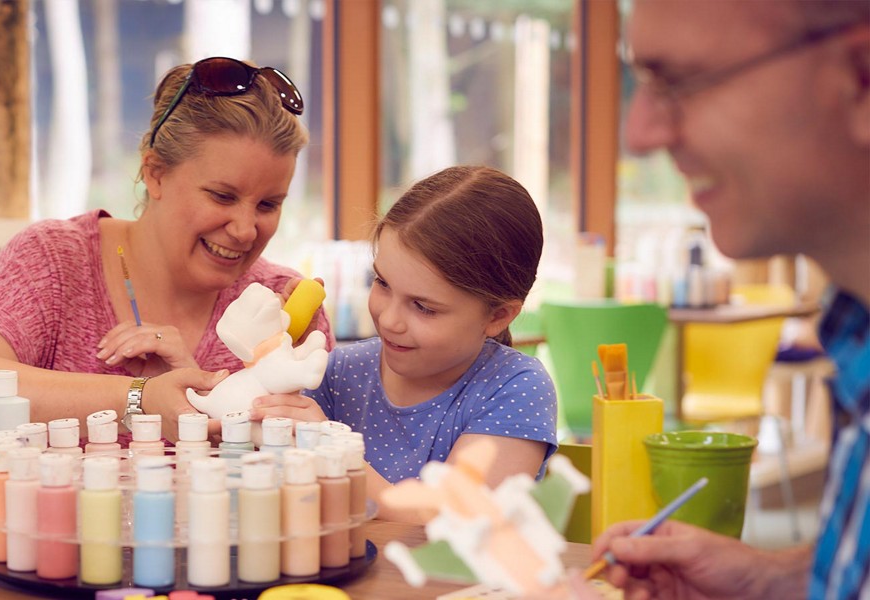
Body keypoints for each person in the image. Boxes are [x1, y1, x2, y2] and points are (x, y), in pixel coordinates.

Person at [586, 1, 870, 598]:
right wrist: (768, 577)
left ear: (862, 74)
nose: (639, 134)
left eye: (680, 81)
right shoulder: (855, 338)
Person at [0, 57, 332, 439]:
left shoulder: (289, 311)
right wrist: (140, 400)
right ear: (154, 173)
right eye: (222, 197)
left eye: (268, 204)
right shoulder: (54, 259)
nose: (246, 231)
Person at [254, 166, 558, 522]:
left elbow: (453, 521)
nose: (388, 319)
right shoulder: (340, 373)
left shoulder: (515, 388)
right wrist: (275, 371)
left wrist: (330, 450)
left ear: (498, 316)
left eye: (423, 307)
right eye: (382, 283)